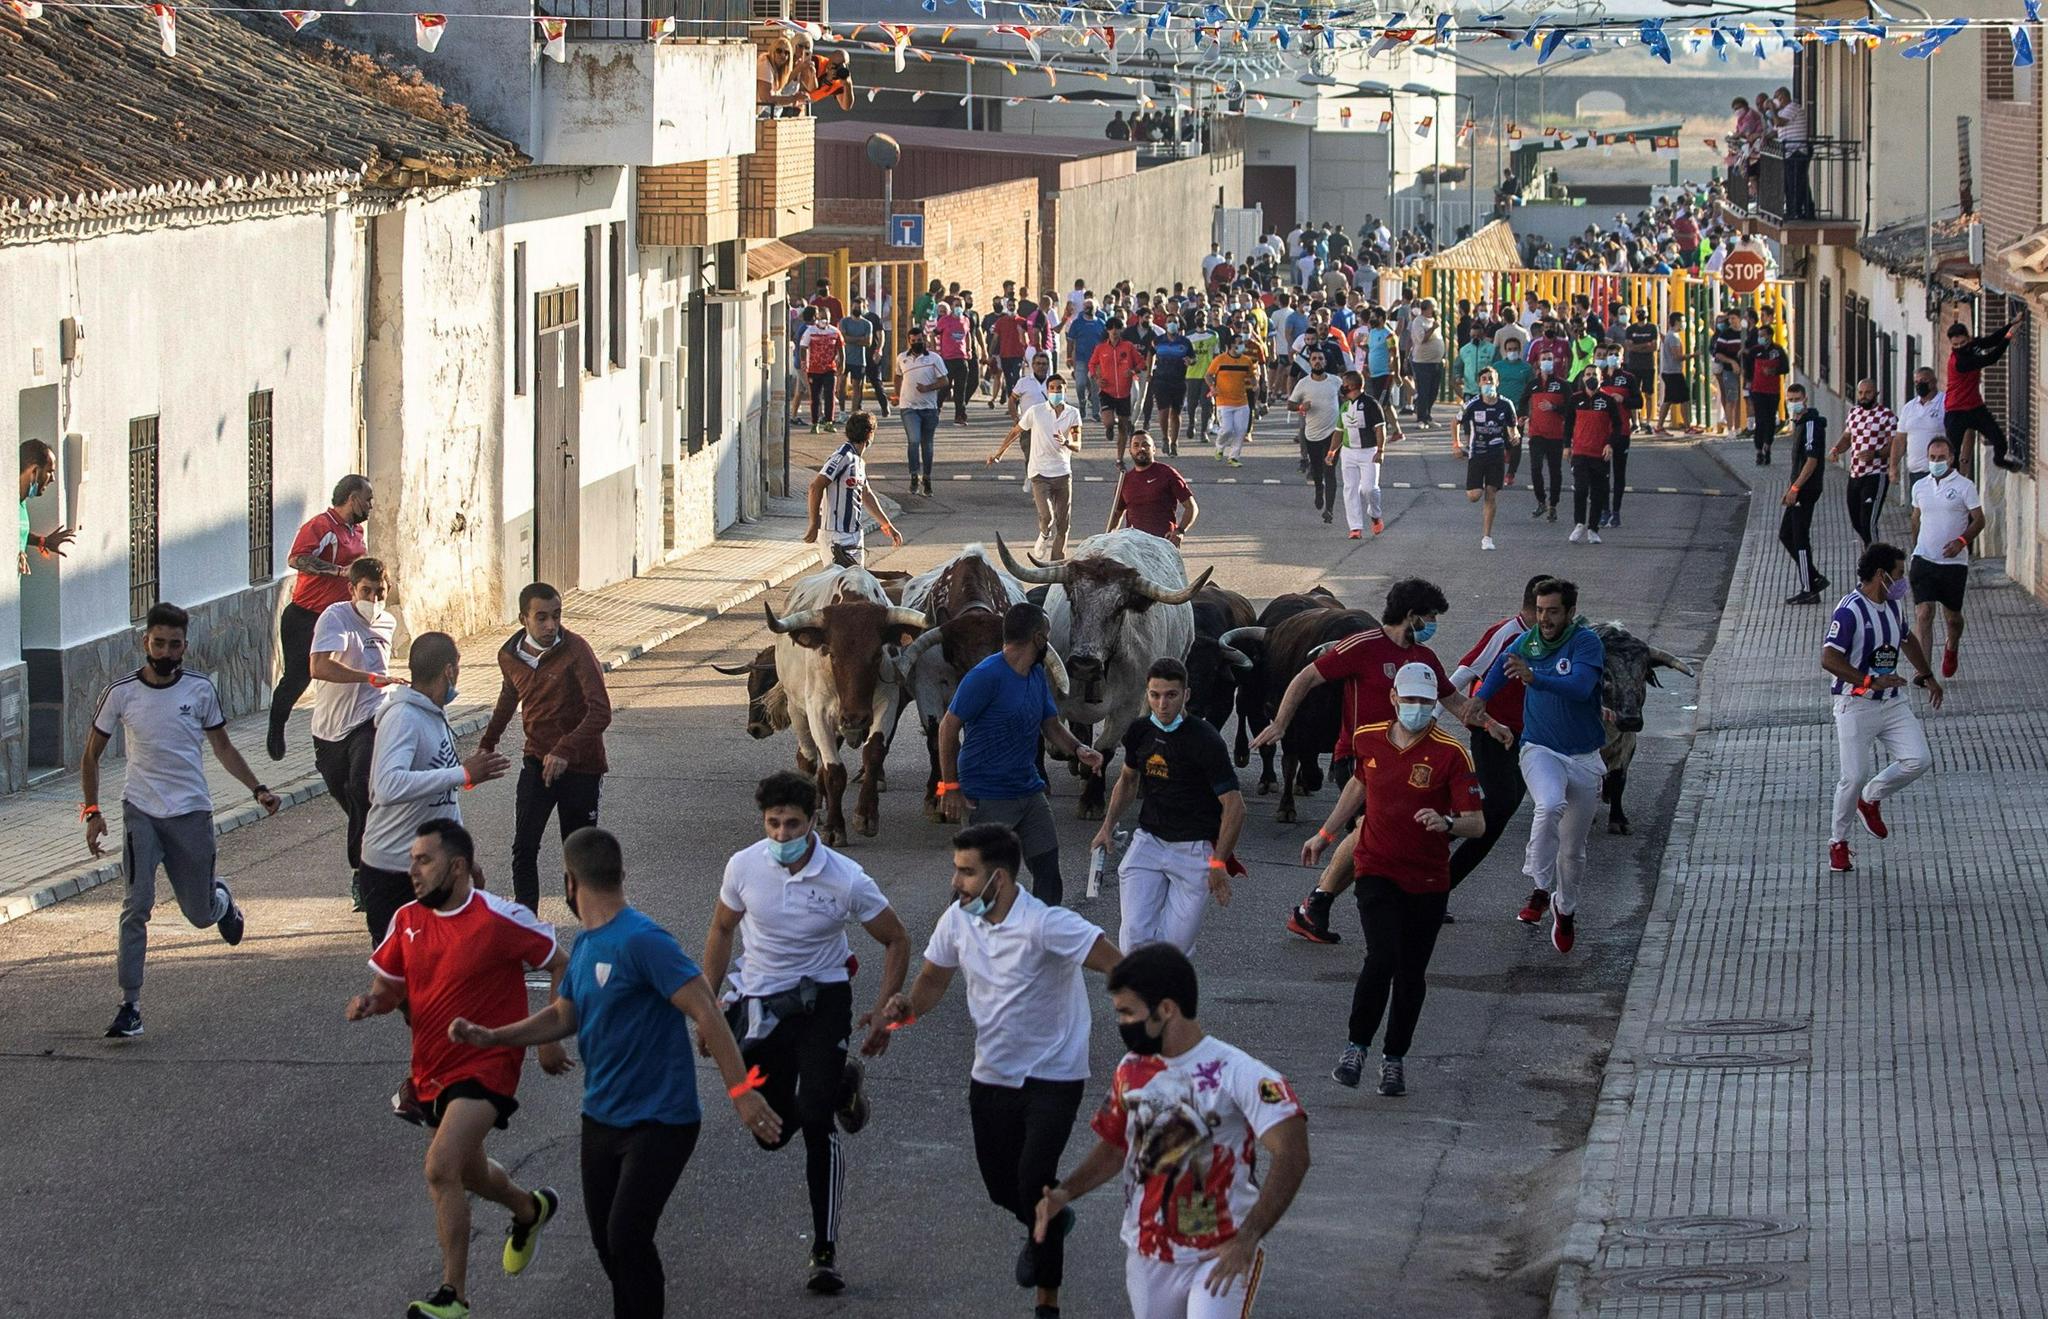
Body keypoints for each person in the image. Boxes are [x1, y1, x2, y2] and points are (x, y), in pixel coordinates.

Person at [449, 827, 780, 1319]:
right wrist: (497, 1036)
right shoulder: (585, 947)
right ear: (620, 875)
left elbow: (706, 1008)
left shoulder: (643, 940)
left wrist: (743, 1093)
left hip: (662, 1120)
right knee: (610, 1245)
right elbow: (565, 1014)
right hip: (601, 1118)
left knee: (627, 1235)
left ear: (568, 882)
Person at [878, 824, 1123, 1319]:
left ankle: (1046, 1304)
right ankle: (1051, 1218)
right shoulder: (957, 921)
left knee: (1035, 1178)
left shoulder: (1048, 925)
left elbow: (1119, 965)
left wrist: (1149, 1025)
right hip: (991, 1073)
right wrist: (902, 1012)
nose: (957, 882)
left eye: (967, 873)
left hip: (1055, 1074)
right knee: (1001, 1187)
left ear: (1002, 879)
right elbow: (931, 979)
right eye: (956, 870)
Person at [346, 818, 568, 1319]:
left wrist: (551, 1038)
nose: (414, 872)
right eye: (411, 861)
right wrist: (370, 1003)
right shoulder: (406, 919)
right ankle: (529, 1210)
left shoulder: (498, 919)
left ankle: (454, 1296)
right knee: (468, 1172)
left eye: (424, 860)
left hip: (489, 1061)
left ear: (459, 865)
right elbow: (390, 989)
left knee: (440, 1167)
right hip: (431, 1066)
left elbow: (561, 962)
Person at [703, 771, 913, 1295]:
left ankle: (824, 1248)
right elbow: (722, 929)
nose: (780, 835)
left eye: (791, 824)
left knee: (817, 1120)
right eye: (772, 823)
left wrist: (885, 1007)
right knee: (770, 1133)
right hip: (760, 1002)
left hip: (823, 999)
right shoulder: (744, 866)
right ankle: (841, 1083)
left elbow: (896, 938)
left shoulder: (845, 878)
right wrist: (708, 1010)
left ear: (814, 821)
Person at [1032, 943, 1310, 1319]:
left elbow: (1292, 1151)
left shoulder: (1239, 1072)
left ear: (1166, 1009)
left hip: (1221, 1251)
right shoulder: (1130, 1069)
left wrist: (1249, 1237)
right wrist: (1065, 1192)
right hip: (1148, 1252)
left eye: (1128, 1013)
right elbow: (1116, 1147)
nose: (1121, 1025)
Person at [1251, 579, 1510, 944]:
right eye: (1430, 616)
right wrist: (1280, 723)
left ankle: (1321, 903)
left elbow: (1455, 704)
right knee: (1369, 830)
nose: (1433, 623)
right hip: (1358, 760)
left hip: (1406, 764)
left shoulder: (1424, 658)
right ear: (1411, 615)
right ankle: (1321, 904)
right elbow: (1307, 676)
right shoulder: (1364, 644)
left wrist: (1490, 723)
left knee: (1391, 833)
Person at [83, 602, 278, 1039]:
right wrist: (92, 811)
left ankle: (221, 900)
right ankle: (129, 1005)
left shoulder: (200, 690)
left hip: (190, 813)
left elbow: (223, 748)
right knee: (136, 905)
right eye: (158, 643)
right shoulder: (121, 693)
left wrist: (257, 788)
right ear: (145, 642)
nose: (166, 652)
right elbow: (91, 755)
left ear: (184, 647)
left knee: (200, 914)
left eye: (174, 645)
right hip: (141, 813)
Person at [1307, 662, 1483, 1095]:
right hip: (1376, 868)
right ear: (1394, 699)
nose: (1418, 709)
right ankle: (1355, 1049)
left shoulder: (1451, 753)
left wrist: (1447, 822)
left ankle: (1394, 1059)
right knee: (1381, 956)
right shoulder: (1369, 738)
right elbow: (1358, 787)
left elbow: (1476, 824)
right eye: (1411, 700)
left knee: (1410, 973)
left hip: (1427, 880)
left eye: (1426, 702)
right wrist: (1326, 833)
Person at [940, 602, 1106, 905]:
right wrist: (949, 786)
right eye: (1048, 635)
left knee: (1047, 871)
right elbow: (948, 728)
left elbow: (1051, 725)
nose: (1050, 641)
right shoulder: (985, 676)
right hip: (987, 796)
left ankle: (1043, 936)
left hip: (1028, 791)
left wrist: (1079, 749)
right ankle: (956, 942)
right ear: (1038, 640)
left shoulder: (1035, 674)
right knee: (979, 884)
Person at [1476, 578, 1605, 954]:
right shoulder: (1529, 640)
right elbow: (1504, 666)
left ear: (1569, 612)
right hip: (1540, 748)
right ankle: (1539, 882)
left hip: (1583, 756)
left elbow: (1581, 687)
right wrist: (1480, 699)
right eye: (1540, 610)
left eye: (1552, 612)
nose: (1544, 619)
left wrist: (1537, 678)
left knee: (1573, 851)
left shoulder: (1585, 642)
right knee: (1548, 804)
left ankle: (1564, 909)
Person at [361, 632, 510, 946]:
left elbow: (440, 796)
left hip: (434, 868)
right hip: (394, 873)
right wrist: (461, 772)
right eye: (458, 667)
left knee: (444, 970)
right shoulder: (403, 718)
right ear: (449, 671)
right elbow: (386, 786)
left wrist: (461, 856)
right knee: (402, 981)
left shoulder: (433, 714)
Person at [1089, 658, 1245, 954]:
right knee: (1134, 938)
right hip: (1149, 842)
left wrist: (1218, 863)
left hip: (1194, 850)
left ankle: (1167, 995)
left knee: (1174, 948)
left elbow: (1235, 807)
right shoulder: (1139, 732)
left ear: (1186, 694)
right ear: (1146, 694)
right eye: (1154, 695)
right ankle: (1140, 999)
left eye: (1171, 695)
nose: (1162, 704)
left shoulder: (1206, 740)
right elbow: (1128, 780)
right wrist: (1106, 827)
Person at [478, 583, 613, 912]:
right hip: (537, 762)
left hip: (581, 766)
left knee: (578, 852)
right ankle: (527, 927)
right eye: (542, 618)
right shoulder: (509, 655)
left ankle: (588, 922)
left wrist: (564, 750)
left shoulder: (577, 649)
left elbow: (601, 712)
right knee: (524, 848)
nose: (551, 625)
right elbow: (510, 697)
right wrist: (488, 742)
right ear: (524, 618)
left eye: (556, 616)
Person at [1820, 544, 1943, 875]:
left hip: (1892, 703)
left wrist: (1927, 675)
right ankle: (1838, 843)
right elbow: (1829, 659)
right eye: (1899, 574)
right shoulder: (1849, 612)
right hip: (1854, 705)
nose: (1902, 582)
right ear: (1881, 575)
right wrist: (1867, 681)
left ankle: (1870, 798)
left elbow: (1908, 640)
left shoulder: (1893, 606)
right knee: (1852, 775)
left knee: (1919, 759)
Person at [1445, 576, 1550, 893]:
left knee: (1498, 814)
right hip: (1491, 731)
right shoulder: (1508, 633)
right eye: (1547, 612)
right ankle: (1427, 846)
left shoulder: (1556, 640)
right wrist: (1427, 721)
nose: (1553, 621)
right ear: (1534, 609)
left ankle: (1439, 886)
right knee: (1500, 804)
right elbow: (1463, 674)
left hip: (1528, 738)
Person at [309, 557, 398, 901]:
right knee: (347, 794)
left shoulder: (388, 622)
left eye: (380, 592)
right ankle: (379, 838)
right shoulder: (335, 617)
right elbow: (319, 667)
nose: (373, 600)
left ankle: (363, 873)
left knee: (362, 787)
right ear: (352, 590)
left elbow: (381, 675)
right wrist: (367, 677)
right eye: (366, 591)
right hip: (330, 729)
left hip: (370, 718)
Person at [269, 474, 372, 760]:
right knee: (299, 677)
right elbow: (296, 559)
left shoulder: (357, 532)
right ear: (353, 499)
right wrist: (339, 571)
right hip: (306, 615)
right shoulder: (321, 526)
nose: (371, 506)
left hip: (339, 617)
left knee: (347, 673)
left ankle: (344, 733)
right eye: (368, 500)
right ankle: (277, 726)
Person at [1907, 435, 1985, 680]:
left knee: (1952, 618)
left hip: (1953, 564)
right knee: (1923, 613)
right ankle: (1924, 670)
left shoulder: (1964, 486)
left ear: (1951, 458)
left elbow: (1979, 520)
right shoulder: (1920, 486)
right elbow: (1915, 518)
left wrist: (1961, 542)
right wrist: (1916, 547)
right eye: (1932, 458)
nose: (1936, 462)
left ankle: (1952, 647)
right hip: (1924, 559)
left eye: (1941, 458)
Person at [989, 376, 1083, 561]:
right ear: (1047, 391)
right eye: (1052, 388)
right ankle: (1044, 534)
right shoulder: (1036, 411)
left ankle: (1056, 562)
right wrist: (999, 453)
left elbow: (1078, 443)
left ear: (1065, 391)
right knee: (1046, 516)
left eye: (1059, 389)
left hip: (1063, 473)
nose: (1056, 392)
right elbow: (1016, 431)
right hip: (1039, 473)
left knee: (1063, 523)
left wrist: (1067, 443)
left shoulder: (1073, 413)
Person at [805, 411, 903, 567]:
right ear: (870, 433)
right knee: (839, 584)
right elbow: (815, 487)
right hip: (835, 535)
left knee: (858, 584)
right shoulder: (842, 456)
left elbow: (866, 494)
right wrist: (814, 523)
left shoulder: (859, 462)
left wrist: (887, 525)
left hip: (855, 534)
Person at [1942, 321, 2022, 472]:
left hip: (1975, 407)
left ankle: (2000, 460)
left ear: (1969, 338)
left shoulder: (1973, 346)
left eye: (1963, 342)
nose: (1960, 347)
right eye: (1956, 345)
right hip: (1955, 411)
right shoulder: (1960, 362)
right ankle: (1953, 481)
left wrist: (2012, 324)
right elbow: (1991, 358)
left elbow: (1991, 340)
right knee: (1953, 452)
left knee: (1999, 441)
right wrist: (2009, 336)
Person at [1455, 366, 1518, 552]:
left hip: (1496, 455)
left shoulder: (1506, 404)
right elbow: (1455, 421)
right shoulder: (1473, 404)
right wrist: (1456, 444)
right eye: (1484, 379)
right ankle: (1477, 486)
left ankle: (1487, 537)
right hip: (1477, 454)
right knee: (1474, 496)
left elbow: (1512, 428)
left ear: (1497, 382)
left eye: (1491, 379)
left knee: (1491, 493)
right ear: (1479, 383)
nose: (1488, 382)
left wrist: (1514, 436)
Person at [1779, 383, 1830, 604]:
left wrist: (1796, 488)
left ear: (1805, 398)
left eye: (1796, 399)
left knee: (1799, 537)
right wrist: (1790, 487)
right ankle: (1814, 577)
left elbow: (1812, 460)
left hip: (1806, 489)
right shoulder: (1799, 423)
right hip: (1798, 487)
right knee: (1786, 534)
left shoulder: (1810, 423)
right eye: (1789, 399)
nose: (1793, 403)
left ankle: (1809, 587)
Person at [1831, 378, 1896, 548]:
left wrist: (1875, 454)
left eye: (1868, 392)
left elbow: (1894, 445)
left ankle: (1876, 562)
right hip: (1855, 475)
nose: (1863, 396)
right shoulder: (1854, 413)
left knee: (1868, 521)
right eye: (1860, 393)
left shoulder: (1886, 415)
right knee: (1856, 521)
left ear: (1876, 394)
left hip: (1876, 474)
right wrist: (1837, 449)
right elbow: (1847, 437)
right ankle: (1874, 552)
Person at [1565, 366, 1624, 545]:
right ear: (1583, 378)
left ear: (1601, 378)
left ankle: (1593, 528)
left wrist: (1610, 444)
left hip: (1600, 454)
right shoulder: (1575, 399)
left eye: (1594, 375)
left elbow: (1617, 426)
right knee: (1581, 489)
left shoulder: (1607, 400)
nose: (1591, 378)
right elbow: (1568, 424)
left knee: (1598, 491)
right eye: (1588, 375)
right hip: (1581, 452)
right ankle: (1579, 523)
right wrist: (1567, 446)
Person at [1106, 432, 1199, 545]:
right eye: (1136, 445)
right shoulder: (1125, 480)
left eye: (1146, 445)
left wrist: (1180, 531)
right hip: (1133, 544)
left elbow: (1191, 507)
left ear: (1154, 449)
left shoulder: (1167, 473)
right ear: (1130, 451)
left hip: (1163, 543)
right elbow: (1116, 514)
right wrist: (1107, 540)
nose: (1141, 448)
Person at [1334, 370, 1393, 540]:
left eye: (1344, 384)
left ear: (1351, 385)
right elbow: (1339, 431)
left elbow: (1380, 429)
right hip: (1348, 452)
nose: (1342, 388)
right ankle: (1355, 527)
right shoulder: (1344, 406)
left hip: (1369, 452)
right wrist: (1332, 451)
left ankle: (1375, 514)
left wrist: (1381, 451)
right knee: (1350, 488)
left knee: (1369, 489)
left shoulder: (1371, 404)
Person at [1288, 348, 1343, 524]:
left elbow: (1347, 397)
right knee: (1318, 472)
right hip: (1312, 435)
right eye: (1314, 359)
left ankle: (1329, 510)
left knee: (1330, 471)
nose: (1317, 361)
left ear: (1325, 362)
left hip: (1333, 434)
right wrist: (1301, 407)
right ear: (1310, 363)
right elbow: (1290, 404)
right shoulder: (1303, 384)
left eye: (1320, 359)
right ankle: (1319, 489)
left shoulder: (1335, 381)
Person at [897, 327, 947, 496]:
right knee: (914, 440)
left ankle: (927, 477)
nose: (917, 343)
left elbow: (944, 381)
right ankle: (913, 475)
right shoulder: (902, 358)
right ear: (908, 341)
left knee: (927, 445)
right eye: (914, 341)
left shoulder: (934, 359)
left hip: (929, 408)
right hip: (909, 407)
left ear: (924, 340)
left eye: (920, 340)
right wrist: (898, 394)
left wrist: (928, 388)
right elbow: (898, 376)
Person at [16, 437, 77, 576]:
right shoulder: (7, 503)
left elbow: (18, 533)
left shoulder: (21, 502)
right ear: (34, 471)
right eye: (49, 471)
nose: (52, 479)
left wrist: (42, 541)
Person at [1089, 319, 1146, 468]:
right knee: (1108, 421)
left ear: (1121, 330)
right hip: (1107, 390)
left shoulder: (1128, 347)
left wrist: (1133, 371)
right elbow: (1092, 364)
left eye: (1117, 328)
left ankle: (1119, 459)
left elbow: (1142, 363)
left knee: (1123, 428)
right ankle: (1109, 426)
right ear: (1107, 331)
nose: (1114, 331)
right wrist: (1096, 378)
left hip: (1124, 393)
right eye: (1111, 329)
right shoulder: (1100, 348)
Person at [1525, 346, 1570, 523]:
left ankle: (1553, 505)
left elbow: (1570, 410)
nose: (1547, 362)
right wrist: (1522, 416)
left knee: (1555, 471)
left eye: (1550, 359)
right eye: (1544, 359)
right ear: (1537, 362)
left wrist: (1555, 408)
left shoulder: (1562, 385)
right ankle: (1541, 501)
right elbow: (1522, 401)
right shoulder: (1533, 384)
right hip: (1536, 433)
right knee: (1535, 468)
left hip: (1556, 435)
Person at [1206, 330, 1261, 466]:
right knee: (1227, 429)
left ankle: (1234, 457)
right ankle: (1219, 446)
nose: (1242, 345)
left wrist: (1255, 385)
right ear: (1231, 346)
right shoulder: (1220, 360)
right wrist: (1213, 387)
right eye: (1239, 343)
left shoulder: (1246, 361)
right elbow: (1208, 375)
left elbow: (1252, 376)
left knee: (1241, 430)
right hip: (1224, 401)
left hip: (1242, 401)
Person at [1891, 366, 1945, 496]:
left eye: (1924, 381)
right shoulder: (1909, 408)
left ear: (1933, 381)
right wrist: (1893, 466)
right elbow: (1899, 440)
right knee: (1917, 513)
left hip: (1940, 471)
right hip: (1915, 473)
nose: (1920, 385)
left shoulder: (1945, 403)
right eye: (1916, 382)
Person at [1742, 326, 1789, 465]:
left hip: (1773, 391)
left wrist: (1773, 371)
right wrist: (1748, 381)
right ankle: (1758, 451)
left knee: (1769, 421)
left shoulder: (1778, 351)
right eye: (1759, 335)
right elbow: (1748, 366)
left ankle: (1767, 446)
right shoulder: (1756, 351)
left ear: (1769, 335)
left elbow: (1785, 367)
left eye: (1763, 335)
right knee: (1760, 420)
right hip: (1758, 390)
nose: (1761, 337)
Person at [1147, 315, 1193, 455]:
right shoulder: (1158, 340)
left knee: (1175, 413)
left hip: (1178, 380)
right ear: (1165, 325)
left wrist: (1190, 361)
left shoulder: (1185, 342)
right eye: (1169, 322)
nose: (1172, 324)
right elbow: (1150, 353)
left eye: (1175, 322)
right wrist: (1149, 371)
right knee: (1163, 411)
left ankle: (1174, 442)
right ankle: (1165, 438)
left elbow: (1193, 358)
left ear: (1179, 325)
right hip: (1161, 380)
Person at [1065, 299, 1109, 423]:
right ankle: (1082, 404)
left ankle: (1096, 412)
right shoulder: (1077, 323)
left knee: (1095, 388)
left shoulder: (1101, 323)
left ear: (1096, 309)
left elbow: (1106, 342)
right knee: (1080, 385)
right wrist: (1069, 357)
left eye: (1091, 307)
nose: (1088, 309)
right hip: (1081, 359)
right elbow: (1070, 341)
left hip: (1097, 361)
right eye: (1086, 306)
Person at [798, 304, 842, 425]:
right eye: (822, 317)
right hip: (814, 369)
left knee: (829, 395)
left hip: (829, 368)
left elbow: (841, 348)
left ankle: (829, 421)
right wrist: (803, 362)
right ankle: (815, 422)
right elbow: (803, 347)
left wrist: (842, 364)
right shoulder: (810, 331)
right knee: (815, 397)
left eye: (826, 318)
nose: (824, 320)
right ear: (817, 317)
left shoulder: (835, 331)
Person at [1655, 312, 1693, 434]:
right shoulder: (1674, 337)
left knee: (1669, 400)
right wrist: (1693, 355)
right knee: (1684, 399)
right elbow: (1677, 356)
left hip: (1669, 371)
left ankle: (1660, 426)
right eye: (1682, 321)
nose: (1684, 324)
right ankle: (1687, 427)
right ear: (1677, 322)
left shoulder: (1669, 336)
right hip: (1674, 372)